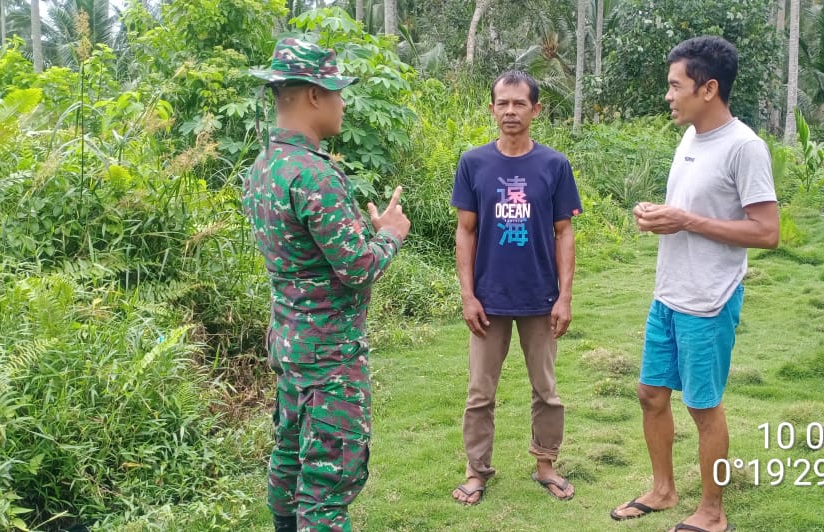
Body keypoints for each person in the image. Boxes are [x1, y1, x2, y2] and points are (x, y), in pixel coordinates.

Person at [609, 36, 779, 532]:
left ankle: (712, 511)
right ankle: (663, 490)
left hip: (710, 298)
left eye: (674, 86)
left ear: (708, 88)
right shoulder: (689, 137)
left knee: (703, 406)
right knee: (650, 393)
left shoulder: (745, 147)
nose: (668, 95)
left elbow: (767, 232)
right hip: (669, 292)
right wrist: (659, 216)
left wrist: (686, 220)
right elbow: (690, 212)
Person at [241, 37, 410, 532]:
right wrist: (391, 237)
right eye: (336, 92)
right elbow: (356, 268)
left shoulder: (263, 169)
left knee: (290, 457)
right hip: (330, 354)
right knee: (327, 483)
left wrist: (370, 235)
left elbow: (306, 258)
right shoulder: (315, 176)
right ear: (314, 95)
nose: (341, 103)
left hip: (291, 344)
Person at [449, 71, 584, 506]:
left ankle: (545, 464)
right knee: (479, 392)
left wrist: (564, 295)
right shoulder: (473, 163)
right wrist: (468, 295)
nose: (510, 111)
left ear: (535, 110)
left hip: (540, 299)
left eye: (519, 104)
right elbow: (465, 232)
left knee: (546, 389)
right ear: (491, 108)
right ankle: (477, 471)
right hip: (488, 300)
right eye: (502, 103)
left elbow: (564, 233)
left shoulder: (554, 165)